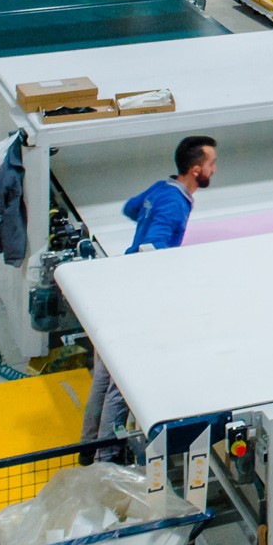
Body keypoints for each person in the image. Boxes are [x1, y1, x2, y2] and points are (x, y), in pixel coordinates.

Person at [81, 136, 217, 443]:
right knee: (123, 382)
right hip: (138, 292)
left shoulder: (162, 188)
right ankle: (107, 455)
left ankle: (89, 445)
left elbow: (131, 208)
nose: (215, 169)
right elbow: (152, 247)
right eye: (212, 164)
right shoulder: (174, 203)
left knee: (104, 373)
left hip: (120, 283)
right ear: (196, 170)